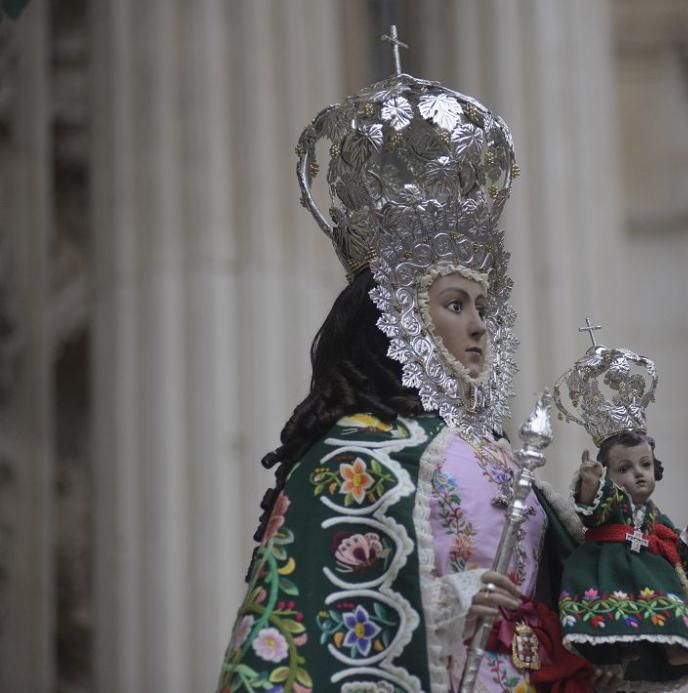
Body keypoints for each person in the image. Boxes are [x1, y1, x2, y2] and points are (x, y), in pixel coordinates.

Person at [215, 69, 608, 693]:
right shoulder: (355, 459)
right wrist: (449, 600)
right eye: (456, 305)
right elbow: (316, 605)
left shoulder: (503, 459)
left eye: (484, 308)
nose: (479, 327)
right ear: (397, 317)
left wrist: (615, 540)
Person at [552, 341, 688, 691]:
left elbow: (674, 543)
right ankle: (617, 651)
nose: (639, 474)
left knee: (665, 595)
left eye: (645, 465)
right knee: (620, 613)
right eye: (625, 468)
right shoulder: (611, 500)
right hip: (609, 568)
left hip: (646, 567)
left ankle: (672, 646)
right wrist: (589, 484)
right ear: (609, 474)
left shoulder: (654, 515)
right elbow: (590, 510)